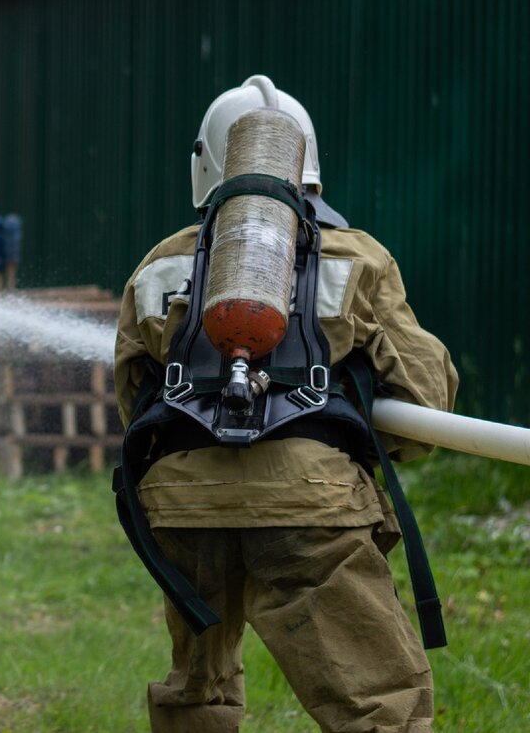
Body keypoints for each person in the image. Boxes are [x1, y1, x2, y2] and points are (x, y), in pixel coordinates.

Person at [112, 75, 457, 733]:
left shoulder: (161, 264)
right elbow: (424, 402)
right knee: (376, 705)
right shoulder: (358, 258)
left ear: (205, 163)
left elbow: (136, 396)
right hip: (311, 504)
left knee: (198, 693)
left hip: (184, 508)